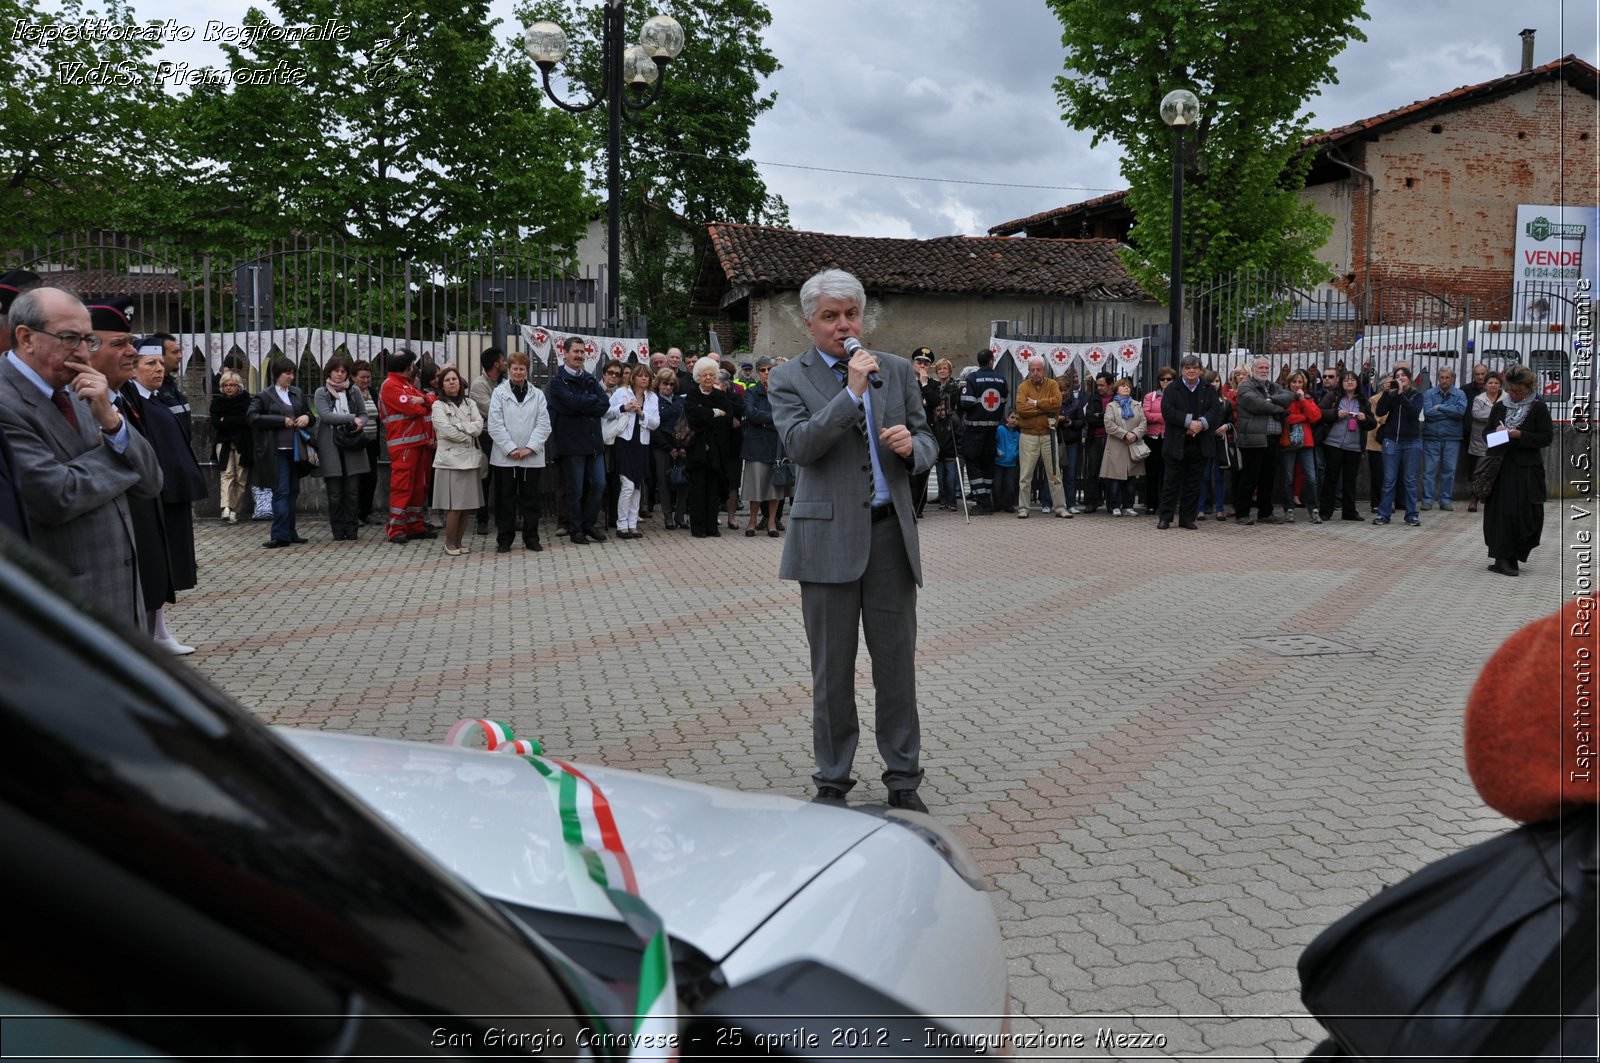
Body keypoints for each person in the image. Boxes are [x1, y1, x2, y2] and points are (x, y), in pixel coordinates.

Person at [768, 268, 937, 813]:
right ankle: (833, 778)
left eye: (851, 315)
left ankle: (903, 777)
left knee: (896, 667)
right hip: (825, 541)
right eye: (831, 317)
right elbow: (800, 446)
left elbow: (930, 439)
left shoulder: (896, 370)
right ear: (810, 324)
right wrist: (850, 392)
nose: (844, 327)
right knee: (832, 671)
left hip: (890, 538)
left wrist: (915, 447)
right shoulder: (787, 378)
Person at [0, 288, 161, 627]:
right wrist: (119, 454)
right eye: (70, 339)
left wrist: (112, 423)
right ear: (26, 337)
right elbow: (56, 495)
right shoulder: (6, 403)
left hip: (123, 601)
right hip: (62, 613)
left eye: (89, 339)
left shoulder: (79, 387)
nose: (85, 353)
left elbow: (150, 481)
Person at [126, 346, 206, 653]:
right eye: (150, 363)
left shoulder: (156, 398)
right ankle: (154, 633)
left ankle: (159, 630)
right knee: (157, 566)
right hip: (156, 492)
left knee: (166, 567)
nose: (159, 368)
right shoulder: (135, 402)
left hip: (171, 491)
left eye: (161, 362)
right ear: (133, 370)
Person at [1481, 364, 1552, 577]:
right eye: (1511, 390)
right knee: (1501, 514)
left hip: (1526, 471)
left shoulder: (1538, 407)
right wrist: (1498, 433)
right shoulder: (1500, 407)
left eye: (1519, 391)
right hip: (1500, 469)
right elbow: (1486, 435)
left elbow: (1546, 437)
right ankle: (1501, 557)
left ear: (1528, 388)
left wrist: (1520, 435)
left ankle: (1512, 556)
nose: (1514, 394)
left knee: (1523, 514)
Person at [546, 336, 609, 545]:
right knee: (575, 489)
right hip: (572, 445)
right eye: (576, 351)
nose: (580, 356)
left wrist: (582, 404)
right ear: (565, 353)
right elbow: (568, 404)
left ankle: (589, 524)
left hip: (594, 443)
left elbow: (604, 404)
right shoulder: (557, 383)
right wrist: (588, 402)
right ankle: (575, 529)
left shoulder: (590, 379)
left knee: (599, 484)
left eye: (582, 352)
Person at [487, 351, 552, 554]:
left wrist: (529, 448)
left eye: (521, 369)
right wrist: (511, 448)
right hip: (505, 458)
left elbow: (544, 424)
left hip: (531, 458)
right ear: (509, 370)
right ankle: (504, 539)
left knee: (530, 501)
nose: (518, 372)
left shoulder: (538, 395)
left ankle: (531, 538)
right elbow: (494, 424)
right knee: (505, 500)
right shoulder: (499, 393)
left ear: (527, 371)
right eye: (514, 368)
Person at [247, 356, 314, 549]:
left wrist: (305, 418)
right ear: (277, 374)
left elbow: (311, 416)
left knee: (293, 491)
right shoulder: (264, 395)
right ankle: (279, 534)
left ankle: (291, 532)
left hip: (296, 449)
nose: (291, 377)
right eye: (287, 373)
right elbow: (252, 417)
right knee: (281, 491)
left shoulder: (297, 393)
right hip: (275, 451)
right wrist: (279, 420)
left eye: (293, 373)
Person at [1157, 354, 1225, 529]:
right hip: (1176, 444)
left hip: (1199, 444)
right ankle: (1165, 517)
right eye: (1188, 368)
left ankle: (1187, 518)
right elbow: (1168, 411)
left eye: (1195, 367)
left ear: (1200, 370)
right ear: (1182, 370)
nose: (1192, 371)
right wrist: (1188, 423)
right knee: (1171, 483)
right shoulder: (1172, 389)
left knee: (1193, 484)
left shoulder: (1208, 389)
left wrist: (1201, 424)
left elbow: (1215, 411)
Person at [379, 349, 436, 544]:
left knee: (419, 487)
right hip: (403, 445)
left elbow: (431, 401)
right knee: (402, 487)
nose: (416, 367)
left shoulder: (406, 385)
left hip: (418, 443)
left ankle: (414, 526)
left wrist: (425, 401)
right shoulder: (391, 386)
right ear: (408, 367)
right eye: (413, 364)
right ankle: (395, 529)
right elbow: (413, 408)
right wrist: (425, 403)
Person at [311, 355, 370, 542]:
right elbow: (326, 416)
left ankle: (352, 530)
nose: (339, 374)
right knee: (335, 493)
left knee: (352, 492)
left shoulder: (354, 392)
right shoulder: (321, 392)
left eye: (343, 371)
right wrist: (352, 418)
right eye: (336, 371)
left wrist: (361, 423)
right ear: (330, 372)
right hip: (331, 445)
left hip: (352, 444)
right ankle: (338, 530)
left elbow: (364, 414)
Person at [682, 356, 740, 538]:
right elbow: (693, 417)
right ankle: (698, 528)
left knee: (713, 489)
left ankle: (711, 527)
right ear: (698, 376)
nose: (707, 378)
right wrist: (713, 413)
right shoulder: (692, 394)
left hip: (716, 450)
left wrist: (707, 415)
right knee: (698, 488)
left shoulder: (720, 395)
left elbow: (727, 416)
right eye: (704, 375)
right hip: (697, 450)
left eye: (711, 375)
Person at [431, 365, 485, 556]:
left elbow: (479, 426)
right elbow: (446, 430)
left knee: (467, 506)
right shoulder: (438, 405)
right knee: (454, 507)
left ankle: (460, 542)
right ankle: (450, 543)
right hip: (450, 462)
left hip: (470, 460)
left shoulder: (470, 403)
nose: (452, 383)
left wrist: (461, 427)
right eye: (447, 380)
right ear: (442, 386)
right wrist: (466, 433)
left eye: (454, 379)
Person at [1234, 358, 1292, 525]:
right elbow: (1257, 405)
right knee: (1249, 478)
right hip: (1253, 438)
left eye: (1267, 367)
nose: (1264, 370)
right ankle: (1242, 514)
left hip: (1273, 439)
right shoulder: (1246, 386)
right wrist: (1280, 408)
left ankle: (1265, 513)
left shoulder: (1273, 386)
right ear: (1253, 369)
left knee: (1268, 478)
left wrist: (1270, 399)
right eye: (1260, 367)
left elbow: (1288, 397)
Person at [1013, 356, 1069, 518]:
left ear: (1044, 370)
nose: (1035, 373)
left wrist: (1036, 403)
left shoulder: (1052, 384)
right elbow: (1021, 408)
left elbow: (1057, 402)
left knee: (1054, 473)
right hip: (1028, 435)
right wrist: (1046, 409)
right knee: (1025, 475)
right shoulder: (1023, 387)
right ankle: (1023, 508)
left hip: (1048, 435)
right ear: (1029, 370)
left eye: (1038, 369)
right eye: (1032, 370)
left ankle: (1060, 508)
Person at [608, 363, 659, 540]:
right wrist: (624, 408)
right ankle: (621, 525)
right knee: (628, 485)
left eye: (647, 376)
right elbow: (607, 413)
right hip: (624, 443)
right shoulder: (622, 393)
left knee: (637, 485)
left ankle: (632, 525)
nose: (644, 378)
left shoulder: (652, 397)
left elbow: (655, 423)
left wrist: (642, 414)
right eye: (640, 375)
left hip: (642, 444)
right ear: (633, 378)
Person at [739, 357, 788, 538]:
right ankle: (752, 520)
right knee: (756, 486)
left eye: (770, 369)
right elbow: (751, 413)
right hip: (756, 444)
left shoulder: (782, 392)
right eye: (763, 370)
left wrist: (765, 418)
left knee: (775, 486)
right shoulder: (752, 391)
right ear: (758, 373)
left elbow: (786, 413)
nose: (767, 373)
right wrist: (773, 418)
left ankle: (772, 522)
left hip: (776, 445)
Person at [1373, 366, 1424, 527]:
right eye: (1397, 376)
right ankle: (1383, 514)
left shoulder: (1417, 395)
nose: (1400, 378)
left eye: (1403, 375)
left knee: (1409, 480)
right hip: (1391, 441)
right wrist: (1387, 394)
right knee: (1389, 480)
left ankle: (1411, 515)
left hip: (1411, 442)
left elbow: (1413, 413)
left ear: (1409, 379)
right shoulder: (1392, 395)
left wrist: (1401, 394)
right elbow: (1380, 411)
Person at [1317, 370, 1371, 522]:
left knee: (1350, 480)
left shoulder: (1362, 401)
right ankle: (1325, 511)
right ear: (1341, 382)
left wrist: (1364, 418)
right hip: (1333, 444)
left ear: (1357, 383)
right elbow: (1319, 412)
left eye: (1352, 380)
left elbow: (1372, 423)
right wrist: (1336, 414)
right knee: (1331, 478)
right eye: (1346, 380)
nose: (1349, 382)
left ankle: (1349, 512)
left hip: (1354, 446)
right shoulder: (1333, 396)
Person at [959, 350, 1006, 513]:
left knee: (972, 462)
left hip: (974, 429)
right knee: (988, 463)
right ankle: (988, 498)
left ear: (979, 362)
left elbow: (966, 403)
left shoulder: (972, 378)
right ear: (991, 361)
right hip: (992, 429)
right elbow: (1004, 401)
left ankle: (981, 501)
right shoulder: (1001, 379)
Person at [1277, 370, 1323, 523]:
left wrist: (1303, 401)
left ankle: (1314, 509)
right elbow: (1286, 418)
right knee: (1288, 477)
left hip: (1306, 443)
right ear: (1289, 384)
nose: (1297, 385)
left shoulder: (1308, 398)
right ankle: (1289, 508)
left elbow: (1316, 417)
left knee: (1311, 477)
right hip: (1288, 442)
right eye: (1294, 382)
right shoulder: (1284, 398)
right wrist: (1304, 418)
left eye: (1299, 382)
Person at [1419, 366, 1467, 511]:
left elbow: (1460, 413)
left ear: (1452, 378)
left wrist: (1440, 407)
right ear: (1438, 378)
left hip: (1452, 438)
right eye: (1442, 377)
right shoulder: (1429, 393)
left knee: (1449, 471)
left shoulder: (1460, 394)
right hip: (1431, 437)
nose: (1444, 381)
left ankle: (1445, 500)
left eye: (1447, 378)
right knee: (1429, 471)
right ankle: (1427, 499)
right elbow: (1428, 413)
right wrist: (1449, 411)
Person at [1099, 377, 1146, 516]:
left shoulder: (1137, 405)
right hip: (1117, 446)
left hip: (1132, 445)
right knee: (1115, 479)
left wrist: (1135, 434)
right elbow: (1109, 425)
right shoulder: (1111, 406)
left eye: (1128, 386)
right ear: (1116, 390)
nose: (1126, 388)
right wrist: (1125, 434)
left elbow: (1143, 424)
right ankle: (1115, 506)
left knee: (1131, 479)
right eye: (1123, 386)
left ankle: (1128, 506)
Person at [470, 346, 504, 535]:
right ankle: (482, 519)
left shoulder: (503, 382)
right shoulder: (479, 385)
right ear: (495, 364)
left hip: (502, 438)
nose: (505, 363)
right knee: (485, 479)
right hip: (485, 438)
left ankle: (502, 518)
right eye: (502, 360)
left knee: (503, 480)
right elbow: (492, 410)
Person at [211, 368, 252, 523]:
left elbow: (246, 420)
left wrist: (226, 420)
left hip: (243, 442)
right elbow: (216, 423)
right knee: (226, 474)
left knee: (240, 478)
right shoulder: (217, 402)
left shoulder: (246, 401)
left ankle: (236, 509)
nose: (229, 387)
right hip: (224, 442)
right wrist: (232, 421)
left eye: (232, 385)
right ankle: (226, 508)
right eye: (226, 385)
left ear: (238, 386)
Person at [651, 368, 688, 530]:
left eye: (671, 384)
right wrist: (669, 448)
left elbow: (687, 423)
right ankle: (668, 516)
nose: (668, 387)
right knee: (664, 482)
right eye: (665, 383)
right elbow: (653, 429)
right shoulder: (653, 401)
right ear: (658, 384)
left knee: (684, 481)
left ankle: (680, 515)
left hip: (681, 447)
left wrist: (682, 446)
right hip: (662, 447)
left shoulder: (681, 400)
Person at [1195, 368, 1232, 521]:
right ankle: (1200, 509)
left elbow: (1231, 421)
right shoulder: (1200, 401)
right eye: (1212, 381)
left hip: (1219, 442)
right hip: (1204, 441)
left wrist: (1226, 427)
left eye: (1217, 381)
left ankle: (1219, 509)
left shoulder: (1226, 402)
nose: (1215, 384)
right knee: (1203, 476)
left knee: (1218, 476)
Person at [1464, 371, 1503, 513]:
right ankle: (1473, 499)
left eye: (1496, 383)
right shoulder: (1479, 399)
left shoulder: (1506, 398)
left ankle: (1491, 499)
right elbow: (1476, 414)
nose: (1493, 385)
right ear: (1485, 385)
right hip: (1480, 439)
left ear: (1500, 385)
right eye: (1490, 383)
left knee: (1496, 470)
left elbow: (1510, 415)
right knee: (1478, 471)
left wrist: (1493, 416)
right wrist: (1495, 415)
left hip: (1500, 438)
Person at [351, 361, 383, 525]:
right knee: (357, 479)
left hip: (371, 442)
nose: (366, 380)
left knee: (371, 479)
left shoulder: (372, 392)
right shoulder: (349, 393)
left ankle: (366, 512)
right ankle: (354, 513)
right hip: (356, 443)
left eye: (368, 377)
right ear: (354, 377)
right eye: (362, 377)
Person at [1141, 366, 1174, 513]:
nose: (1165, 382)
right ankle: (1151, 504)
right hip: (1153, 438)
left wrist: (1164, 417)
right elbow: (1146, 414)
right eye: (1163, 379)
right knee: (1152, 472)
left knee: (1167, 472)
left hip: (1169, 438)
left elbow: (1178, 414)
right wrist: (1163, 417)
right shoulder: (1151, 396)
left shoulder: (1177, 396)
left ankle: (1165, 505)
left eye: (1169, 379)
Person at [993, 410, 1021, 513]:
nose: (1014, 420)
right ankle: (997, 504)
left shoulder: (1018, 434)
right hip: (998, 462)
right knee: (997, 485)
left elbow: (1019, 448)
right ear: (1007, 418)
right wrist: (997, 451)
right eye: (1012, 417)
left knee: (1010, 486)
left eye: (1017, 419)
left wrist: (1015, 454)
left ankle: (1008, 504)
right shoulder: (1000, 429)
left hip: (1011, 463)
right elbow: (994, 442)